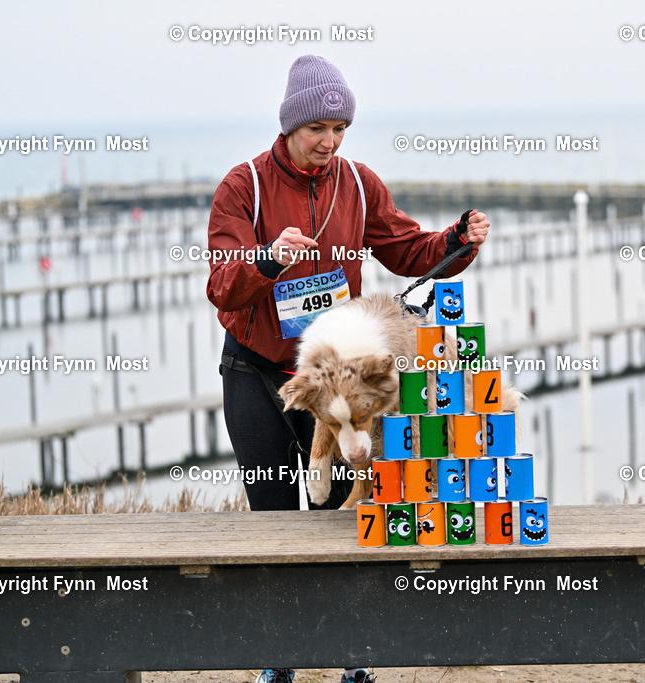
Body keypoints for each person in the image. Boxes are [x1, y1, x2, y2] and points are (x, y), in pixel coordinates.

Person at [205, 55, 489, 683]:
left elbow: (408, 249)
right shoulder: (243, 186)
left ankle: (352, 658)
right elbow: (222, 284)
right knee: (276, 523)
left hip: (338, 386)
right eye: (318, 130)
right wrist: (269, 261)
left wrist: (457, 239)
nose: (330, 142)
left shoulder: (358, 184)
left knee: (341, 520)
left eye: (340, 129)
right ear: (290, 127)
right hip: (258, 375)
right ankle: (280, 663)